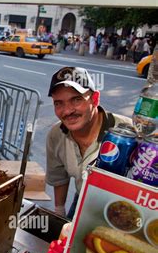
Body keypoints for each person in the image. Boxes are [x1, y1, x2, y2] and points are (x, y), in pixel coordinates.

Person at [46, 67, 131, 219]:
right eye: (58, 103)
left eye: (76, 100)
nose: (67, 111)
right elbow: (59, 177)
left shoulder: (128, 135)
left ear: (95, 99)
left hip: (124, 208)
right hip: (82, 198)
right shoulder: (56, 135)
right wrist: (59, 212)